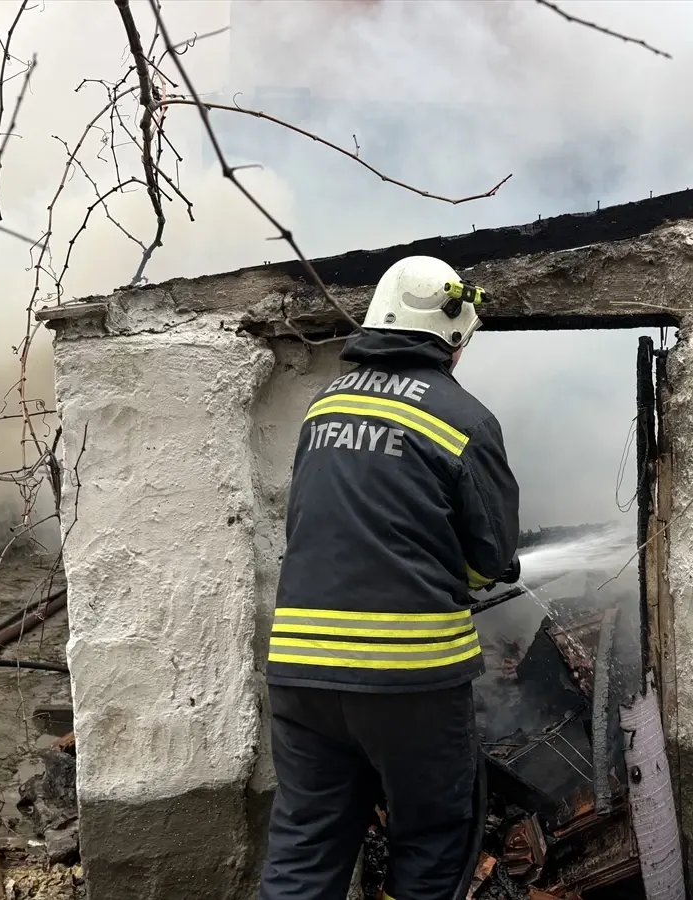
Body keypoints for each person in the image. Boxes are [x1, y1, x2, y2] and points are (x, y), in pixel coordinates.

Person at [258, 256, 521, 900]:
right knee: (431, 841)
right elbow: (493, 560)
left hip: (300, 671)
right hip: (409, 681)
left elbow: (317, 524)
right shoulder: (464, 418)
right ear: (455, 337)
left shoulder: (323, 407)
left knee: (306, 840)